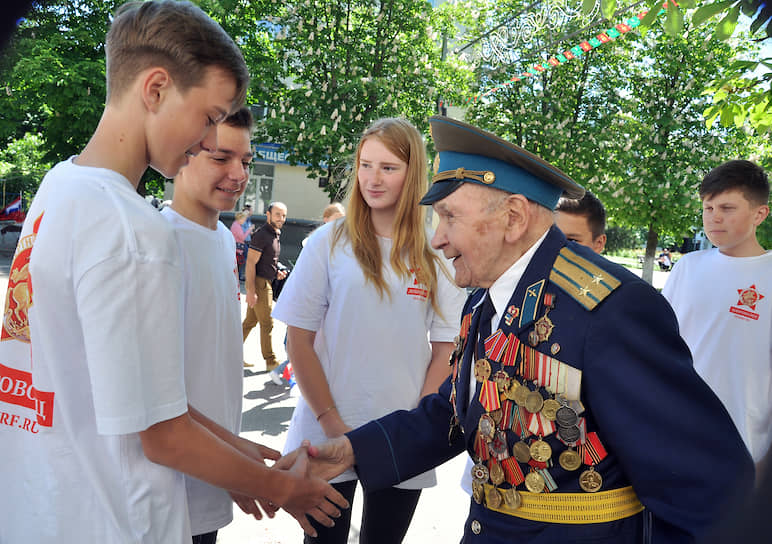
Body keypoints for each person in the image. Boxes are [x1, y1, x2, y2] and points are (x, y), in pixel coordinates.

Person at [298, 116, 754, 543]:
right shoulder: (487, 294)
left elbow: (707, 486)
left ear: (513, 218)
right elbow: (460, 413)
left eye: (450, 217)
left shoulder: (610, 307)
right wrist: (352, 450)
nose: (437, 238)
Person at [0, 3, 345, 542]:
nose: (207, 139)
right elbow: (162, 437)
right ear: (156, 89)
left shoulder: (58, 187)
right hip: (117, 520)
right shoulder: (134, 228)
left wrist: (238, 449)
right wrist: (285, 491)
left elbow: (137, 397)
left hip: (47, 506)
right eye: (208, 117)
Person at [272, 117, 466, 544]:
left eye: (388, 168)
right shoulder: (328, 241)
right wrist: (334, 424)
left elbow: (445, 348)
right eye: (365, 164)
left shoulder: (437, 254)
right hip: (325, 435)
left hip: (399, 439)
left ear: (412, 174)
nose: (372, 179)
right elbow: (298, 340)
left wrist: (411, 428)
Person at [663, 160, 771, 468]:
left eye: (727, 208)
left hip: (745, 447)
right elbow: (661, 343)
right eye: (708, 209)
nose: (714, 218)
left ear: (759, 214)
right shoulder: (688, 267)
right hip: (676, 436)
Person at [270, 201, 346, 386]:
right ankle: (283, 373)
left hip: (325, 311)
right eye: (335, 220)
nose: (339, 226)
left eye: (342, 221)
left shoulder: (341, 245)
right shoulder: (316, 242)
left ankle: (288, 376)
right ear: (325, 219)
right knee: (299, 345)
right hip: (307, 306)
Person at [242, 201, 288, 369]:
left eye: (283, 215)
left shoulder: (275, 233)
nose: (281, 218)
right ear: (268, 214)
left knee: (249, 322)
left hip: (266, 280)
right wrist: (251, 290)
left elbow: (266, 261)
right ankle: (271, 361)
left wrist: (276, 272)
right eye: (277, 214)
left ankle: (228, 354)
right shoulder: (262, 235)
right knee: (267, 323)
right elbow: (250, 263)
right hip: (260, 285)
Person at [231, 210, 249, 281]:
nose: (244, 221)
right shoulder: (236, 226)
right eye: (244, 219)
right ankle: (238, 277)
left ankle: (238, 277)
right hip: (238, 248)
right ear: (240, 219)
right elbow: (243, 237)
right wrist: (249, 230)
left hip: (238, 247)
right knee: (239, 263)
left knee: (239, 263)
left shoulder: (236, 225)